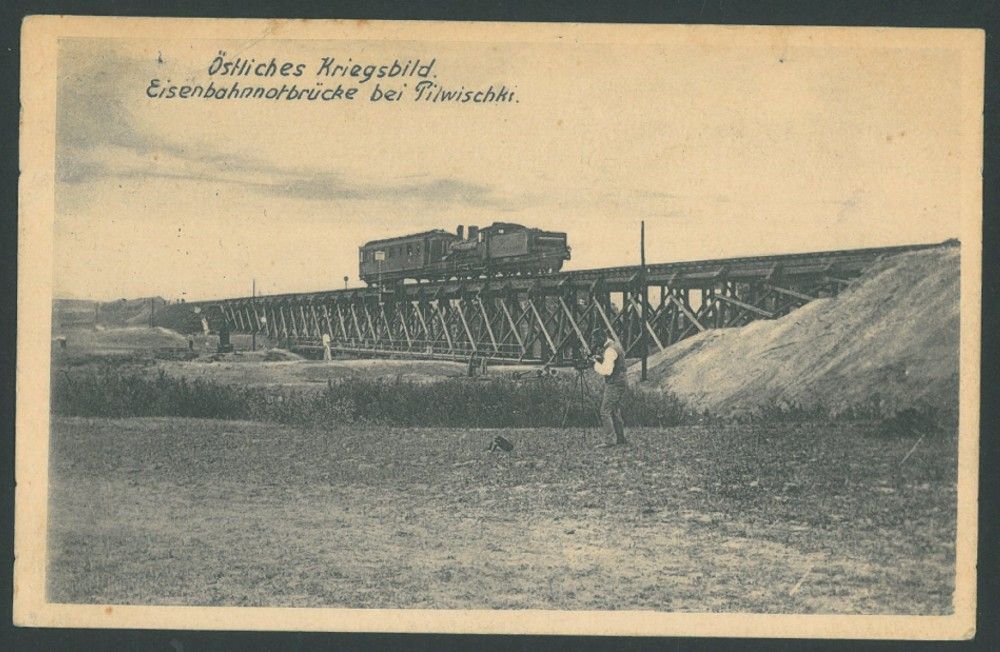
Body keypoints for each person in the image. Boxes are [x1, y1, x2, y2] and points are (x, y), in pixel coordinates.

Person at [590, 329, 628, 446]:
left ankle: (609, 440)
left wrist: (595, 364)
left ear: (602, 337)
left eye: (596, 341)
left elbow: (607, 370)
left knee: (604, 411)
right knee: (614, 410)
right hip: (620, 380)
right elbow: (614, 362)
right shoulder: (613, 346)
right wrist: (601, 359)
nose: (595, 344)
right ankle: (621, 438)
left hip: (614, 382)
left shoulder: (610, 350)